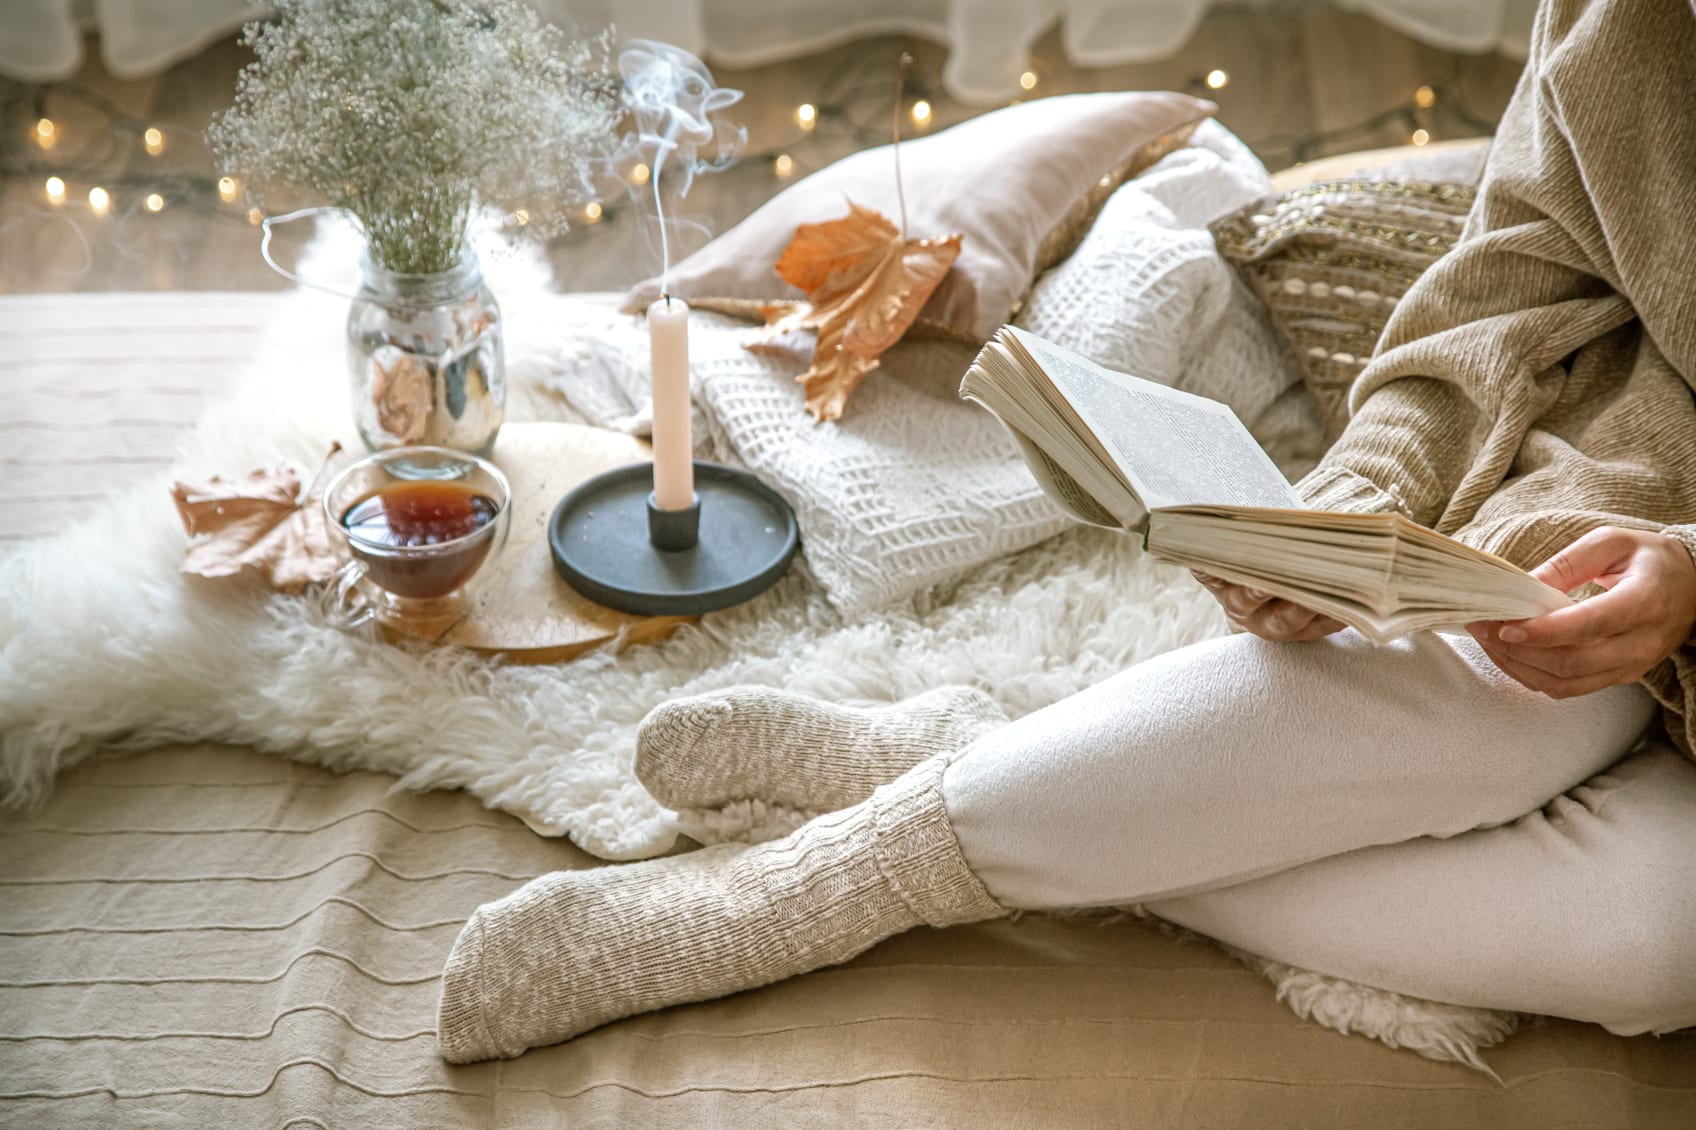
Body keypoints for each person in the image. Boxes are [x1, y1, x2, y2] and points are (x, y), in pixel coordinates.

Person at [434, 0, 1696, 1063]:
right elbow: (1505, 283)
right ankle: (807, 893)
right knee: (1478, 689)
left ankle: (974, 759)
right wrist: (1352, 508)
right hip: (1610, 490)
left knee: (1654, 949)